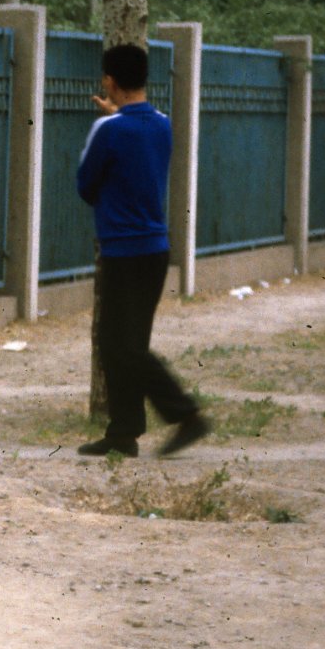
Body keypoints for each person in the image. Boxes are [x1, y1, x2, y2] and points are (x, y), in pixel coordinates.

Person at [74, 42, 209, 458]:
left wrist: (111, 120)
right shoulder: (162, 124)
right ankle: (123, 432)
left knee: (121, 345)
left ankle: (185, 415)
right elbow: (137, 135)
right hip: (154, 250)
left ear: (109, 81)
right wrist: (118, 115)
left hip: (122, 250)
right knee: (125, 343)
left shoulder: (108, 129)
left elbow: (85, 185)